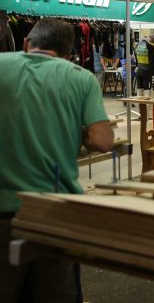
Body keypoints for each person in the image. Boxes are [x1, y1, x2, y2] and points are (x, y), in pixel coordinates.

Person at [0, 18, 113, 302]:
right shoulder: (80, 77)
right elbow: (102, 141)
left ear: (26, 43)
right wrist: (79, 132)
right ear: (69, 53)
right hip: (53, 211)